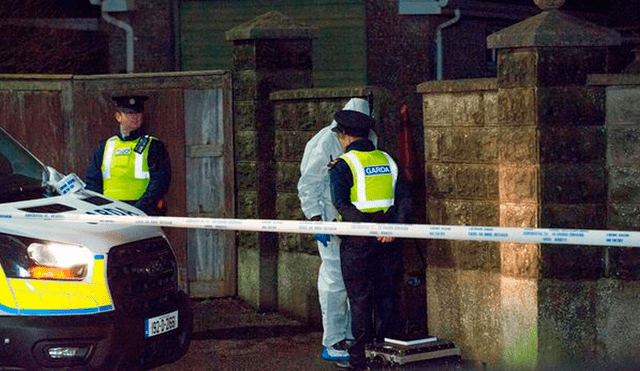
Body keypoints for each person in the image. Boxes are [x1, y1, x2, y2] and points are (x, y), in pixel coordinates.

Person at [328, 110, 412, 369]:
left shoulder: (343, 164)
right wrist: (393, 227)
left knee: (360, 299)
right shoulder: (389, 160)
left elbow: (342, 204)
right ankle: (388, 357)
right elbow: (405, 200)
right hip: (389, 239)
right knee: (387, 297)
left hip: (358, 243)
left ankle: (360, 361)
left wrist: (368, 229)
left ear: (344, 136)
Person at [298, 98, 377, 362]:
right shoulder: (324, 142)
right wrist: (315, 218)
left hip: (354, 222)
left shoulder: (369, 138)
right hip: (332, 221)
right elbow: (308, 182)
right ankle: (333, 341)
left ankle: (348, 337)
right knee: (335, 281)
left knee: (351, 282)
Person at [85, 94, 171, 216]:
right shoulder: (104, 147)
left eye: (138, 113)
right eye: (129, 113)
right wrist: (101, 209)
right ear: (118, 116)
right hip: (110, 213)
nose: (135, 117)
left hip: (144, 213)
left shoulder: (153, 145)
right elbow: (93, 182)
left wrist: (138, 209)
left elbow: (160, 182)